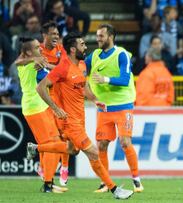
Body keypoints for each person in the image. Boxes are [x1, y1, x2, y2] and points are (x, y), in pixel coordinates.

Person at [26, 32, 134, 200]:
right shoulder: (63, 67)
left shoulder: (82, 65)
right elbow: (41, 87)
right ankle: (114, 190)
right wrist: (55, 108)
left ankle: (35, 148)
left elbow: (82, 88)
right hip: (70, 122)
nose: (85, 47)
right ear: (72, 48)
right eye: (82, 44)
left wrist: (94, 100)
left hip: (79, 119)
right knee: (93, 153)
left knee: (72, 150)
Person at [86, 24, 143, 193]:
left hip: (123, 105)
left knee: (125, 142)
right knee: (102, 146)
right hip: (104, 108)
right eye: (97, 36)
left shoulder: (121, 54)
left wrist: (105, 79)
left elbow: (125, 79)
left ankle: (136, 179)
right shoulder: (94, 55)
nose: (98, 39)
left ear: (111, 37)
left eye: (101, 36)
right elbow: (77, 66)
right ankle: (105, 182)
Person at [16, 21, 70, 186]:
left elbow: (50, 68)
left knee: (51, 144)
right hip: (35, 107)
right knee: (52, 144)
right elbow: (22, 62)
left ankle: (48, 180)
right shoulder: (32, 62)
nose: (41, 49)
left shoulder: (35, 62)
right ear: (28, 51)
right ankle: (48, 182)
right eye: (37, 47)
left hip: (39, 106)